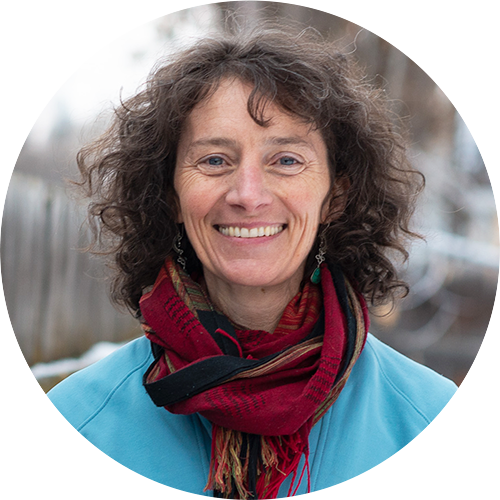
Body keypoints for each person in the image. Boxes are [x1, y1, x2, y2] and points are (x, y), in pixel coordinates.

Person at [48, 24, 457, 499]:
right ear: (170, 195)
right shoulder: (76, 423)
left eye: (286, 160)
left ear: (336, 197)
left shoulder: (432, 423)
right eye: (214, 160)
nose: (247, 195)